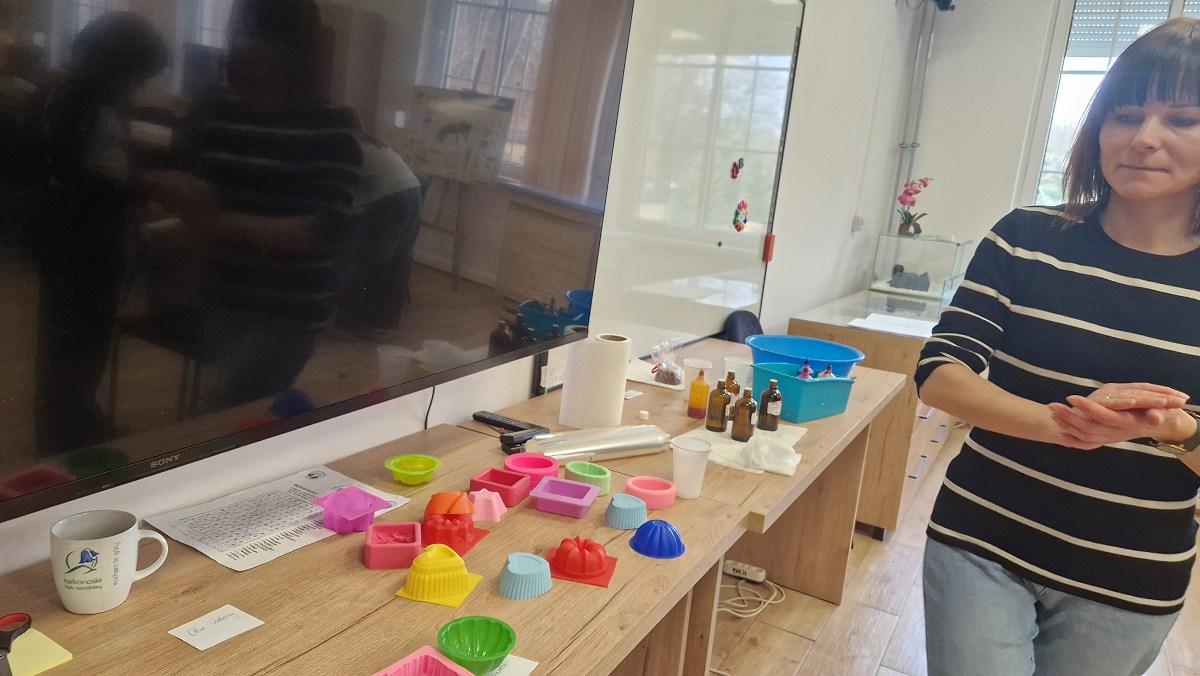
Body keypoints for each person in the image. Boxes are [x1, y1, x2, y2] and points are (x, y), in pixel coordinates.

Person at [915, 17, 1200, 676]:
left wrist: (1167, 426)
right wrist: (1068, 424)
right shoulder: (1025, 237)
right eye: (1125, 115)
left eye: (1182, 120)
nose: (1144, 138)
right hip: (979, 540)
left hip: (1129, 581)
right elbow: (941, 370)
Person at [144, 0, 362, 409]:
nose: (246, 43)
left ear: (296, 47)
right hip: (220, 297)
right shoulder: (214, 110)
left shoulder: (331, 126)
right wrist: (171, 197)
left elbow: (320, 232)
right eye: (242, 30)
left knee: (224, 412)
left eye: (264, 33)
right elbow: (182, 184)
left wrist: (212, 220)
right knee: (233, 414)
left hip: (288, 310)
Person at [31, 14, 166, 454]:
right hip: (80, 238)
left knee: (84, 341)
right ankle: (67, 435)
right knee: (77, 342)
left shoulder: (91, 97)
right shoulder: (76, 99)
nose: (139, 85)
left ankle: (77, 424)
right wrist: (135, 191)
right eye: (136, 74)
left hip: (88, 234)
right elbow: (72, 175)